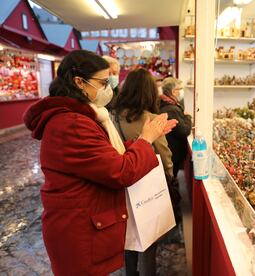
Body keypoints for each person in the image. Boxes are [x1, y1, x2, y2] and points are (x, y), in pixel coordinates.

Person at [23, 50, 177, 276]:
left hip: (83, 223)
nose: (110, 87)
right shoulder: (71, 123)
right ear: (79, 82)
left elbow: (103, 156)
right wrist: (146, 140)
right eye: (104, 81)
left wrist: (145, 138)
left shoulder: (83, 117)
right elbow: (120, 171)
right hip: (78, 230)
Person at [112, 68, 176, 276]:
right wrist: (170, 176)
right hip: (147, 184)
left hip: (121, 183)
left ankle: (129, 273)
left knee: (128, 236)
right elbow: (164, 155)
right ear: (150, 92)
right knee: (148, 240)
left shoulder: (114, 117)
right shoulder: (152, 119)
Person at [160, 77, 192, 177]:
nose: (181, 92)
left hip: (170, 150)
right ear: (173, 91)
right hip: (172, 152)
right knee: (172, 178)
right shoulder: (171, 109)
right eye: (180, 89)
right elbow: (184, 131)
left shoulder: (165, 103)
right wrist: (187, 117)